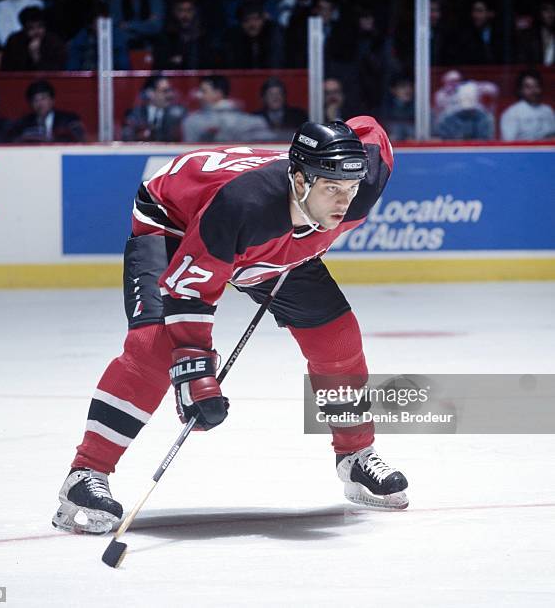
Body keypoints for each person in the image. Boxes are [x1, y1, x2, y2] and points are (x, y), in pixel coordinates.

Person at [51, 116, 409, 535]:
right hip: (176, 220)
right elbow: (191, 294)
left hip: (275, 240)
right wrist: (195, 372)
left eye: (348, 188)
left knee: (337, 336)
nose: (343, 202)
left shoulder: (360, 183)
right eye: (331, 188)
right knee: (155, 345)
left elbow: (369, 129)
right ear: (298, 178)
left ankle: (355, 457)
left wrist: (332, 138)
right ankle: (85, 474)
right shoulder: (243, 205)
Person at [182, 75, 274, 143]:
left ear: (218, 93)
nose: (199, 95)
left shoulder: (192, 122)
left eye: (203, 91)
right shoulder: (192, 121)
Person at [7, 79, 85, 143]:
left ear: (52, 100)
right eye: (35, 100)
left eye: (43, 98)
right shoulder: (24, 123)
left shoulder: (68, 119)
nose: (39, 104)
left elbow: (79, 139)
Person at [121, 75, 187, 141]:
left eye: (171, 90)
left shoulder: (177, 115)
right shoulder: (135, 114)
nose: (170, 95)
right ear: (150, 93)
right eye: (165, 91)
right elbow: (127, 138)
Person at [0, 6, 66, 71]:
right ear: (24, 28)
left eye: (40, 26)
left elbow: (57, 71)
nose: (36, 32)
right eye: (31, 28)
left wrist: (36, 56)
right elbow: (6, 70)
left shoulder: (54, 41)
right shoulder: (14, 41)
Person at [500, 70, 555, 141]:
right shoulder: (512, 113)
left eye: (536, 86)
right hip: (524, 151)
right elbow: (508, 142)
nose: (533, 90)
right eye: (528, 87)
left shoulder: (548, 110)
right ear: (520, 90)